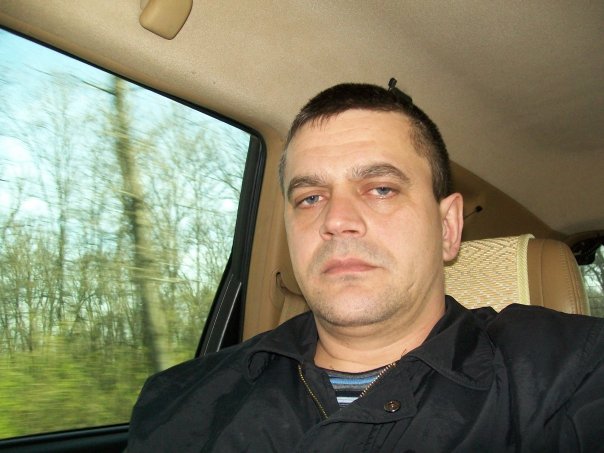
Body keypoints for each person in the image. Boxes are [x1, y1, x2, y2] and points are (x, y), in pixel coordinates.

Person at [127, 81, 604, 452]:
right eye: (310, 197)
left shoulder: (571, 373)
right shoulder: (182, 399)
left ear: (447, 227)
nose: (336, 220)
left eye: (381, 189)